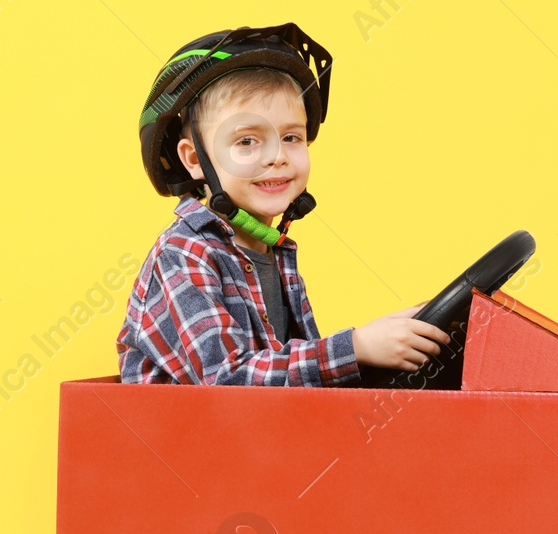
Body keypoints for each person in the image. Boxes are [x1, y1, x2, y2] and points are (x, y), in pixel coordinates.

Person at [118, 23, 448, 385]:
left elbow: (294, 385)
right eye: (247, 141)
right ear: (195, 160)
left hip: (259, 440)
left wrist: (390, 341)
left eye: (291, 137)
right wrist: (354, 347)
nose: (277, 156)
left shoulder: (276, 254)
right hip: (186, 442)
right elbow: (226, 381)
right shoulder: (183, 255)